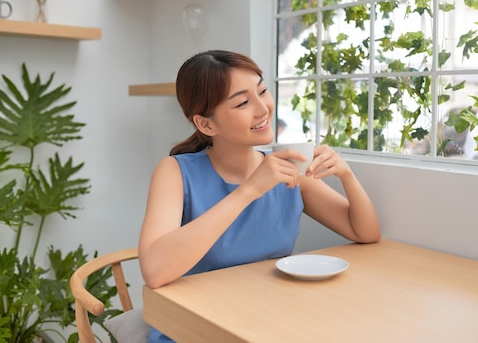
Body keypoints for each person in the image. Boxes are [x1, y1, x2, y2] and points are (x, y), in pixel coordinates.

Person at [138, 50, 381, 342]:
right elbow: (154, 270)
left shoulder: (288, 167)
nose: (263, 108)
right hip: (196, 327)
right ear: (206, 124)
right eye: (242, 102)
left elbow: (365, 232)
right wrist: (250, 190)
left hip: (266, 320)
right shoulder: (175, 172)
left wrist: (346, 175)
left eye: (262, 91)